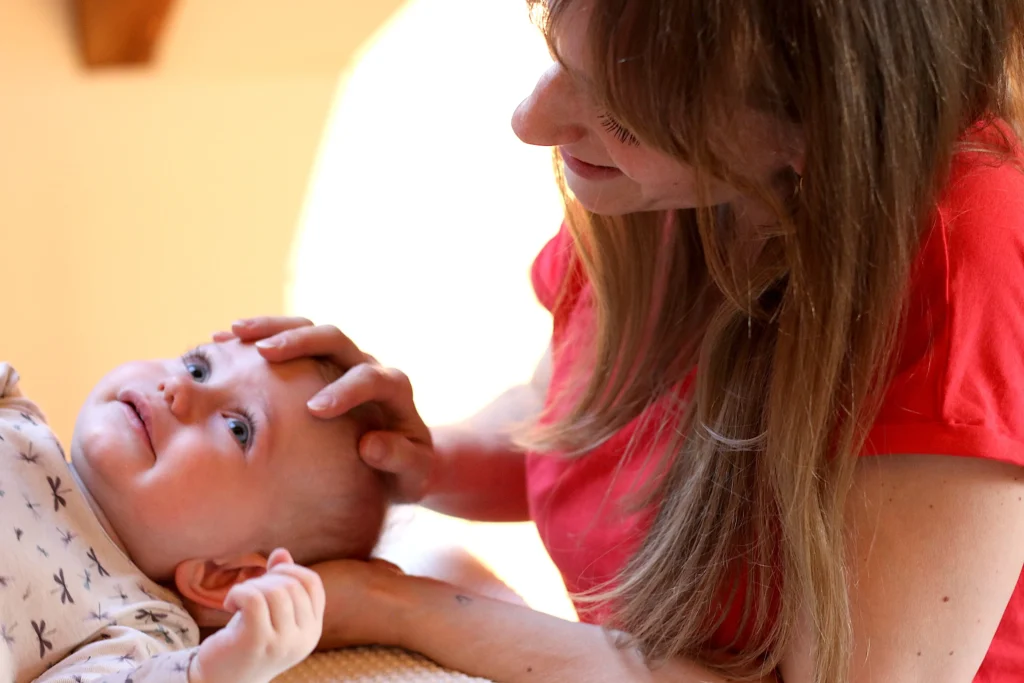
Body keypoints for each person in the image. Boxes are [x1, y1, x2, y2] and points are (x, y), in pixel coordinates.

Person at [223, 1, 1024, 681]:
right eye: (555, 50)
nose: (529, 121)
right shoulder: (676, 188)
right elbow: (568, 415)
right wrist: (418, 460)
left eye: (620, 110)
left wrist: (402, 605)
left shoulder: (964, 259)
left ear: (819, 125)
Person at [0, 339, 388, 683]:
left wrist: (209, 673)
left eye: (238, 429)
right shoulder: (13, 411)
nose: (179, 388)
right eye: (198, 368)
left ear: (224, 574)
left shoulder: (141, 624)